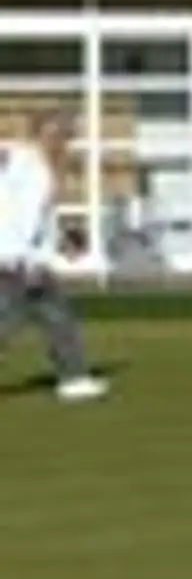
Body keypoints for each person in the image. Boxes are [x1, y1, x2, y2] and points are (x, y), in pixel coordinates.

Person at [0, 110, 108, 402]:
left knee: (58, 317)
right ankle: (73, 378)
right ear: (47, 134)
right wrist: (25, 260)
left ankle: (74, 379)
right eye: (64, 136)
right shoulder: (35, 168)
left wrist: (61, 241)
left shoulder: (21, 158)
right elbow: (26, 217)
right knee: (6, 323)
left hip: (23, 258)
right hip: (19, 261)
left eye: (69, 136)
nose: (67, 143)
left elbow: (39, 216)